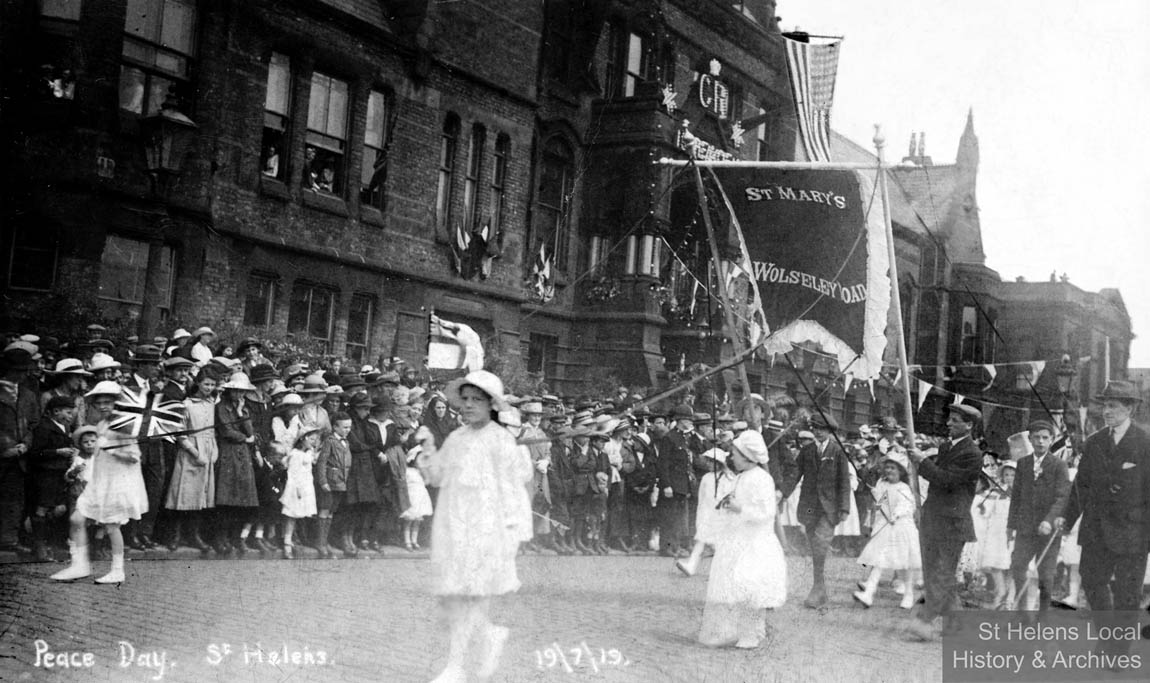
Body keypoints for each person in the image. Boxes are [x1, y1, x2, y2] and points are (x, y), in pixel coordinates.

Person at [415, 370, 533, 683]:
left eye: (476, 400)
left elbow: (513, 489)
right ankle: (486, 640)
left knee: (471, 596)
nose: (468, 405)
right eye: (464, 399)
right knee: (458, 596)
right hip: (454, 527)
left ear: (491, 404)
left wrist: (511, 533)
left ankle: (456, 666)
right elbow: (438, 477)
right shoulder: (456, 437)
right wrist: (428, 448)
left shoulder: (501, 440)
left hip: (487, 529)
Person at [1056, 381, 1150, 655]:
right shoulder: (1094, 442)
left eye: (1113, 406)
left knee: (1127, 594)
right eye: (1104, 405)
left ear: (1129, 408)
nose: (1106, 411)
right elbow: (1080, 486)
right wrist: (1067, 518)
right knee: (1091, 580)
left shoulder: (1145, 443)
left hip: (1134, 532)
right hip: (1096, 528)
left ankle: (1117, 651)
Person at [51, 381, 148, 584]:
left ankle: (117, 570)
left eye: (108, 402)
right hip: (99, 480)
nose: (104, 406)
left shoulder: (124, 427)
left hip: (117, 483)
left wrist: (112, 449)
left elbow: (134, 457)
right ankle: (79, 565)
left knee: (112, 526)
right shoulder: (102, 425)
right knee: (77, 519)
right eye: (99, 402)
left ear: (117, 403)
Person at [697, 430, 786, 649]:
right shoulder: (740, 477)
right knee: (733, 587)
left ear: (746, 455)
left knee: (751, 587)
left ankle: (753, 632)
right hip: (736, 539)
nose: (731, 457)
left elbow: (766, 513)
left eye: (735, 453)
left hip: (754, 542)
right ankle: (733, 630)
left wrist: (740, 508)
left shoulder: (762, 479)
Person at [905, 403, 983, 641]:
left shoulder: (973, 454)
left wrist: (922, 462)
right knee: (933, 572)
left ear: (969, 425)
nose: (948, 423)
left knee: (943, 573)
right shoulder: (947, 447)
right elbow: (935, 479)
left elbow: (946, 480)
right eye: (949, 419)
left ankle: (925, 620)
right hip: (933, 518)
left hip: (953, 523)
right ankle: (957, 624)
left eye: (955, 420)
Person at [778, 413, 852, 608]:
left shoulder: (838, 451)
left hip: (829, 508)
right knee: (814, 546)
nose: (817, 431)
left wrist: (844, 507)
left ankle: (817, 588)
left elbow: (844, 480)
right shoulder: (807, 451)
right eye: (814, 428)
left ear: (829, 430)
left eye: (821, 428)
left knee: (820, 543)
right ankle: (820, 588)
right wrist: (783, 494)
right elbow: (795, 474)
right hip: (810, 508)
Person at [1008, 420, 1070, 612]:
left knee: (1045, 576)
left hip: (1048, 531)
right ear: (1031, 439)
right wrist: (1010, 526)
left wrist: (1049, 520)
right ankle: (1022, 614)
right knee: (1018, 567)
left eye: (1045, 438)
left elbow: (1062, 498)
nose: (1040, 442)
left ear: (1051, 440)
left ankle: (1043, 617)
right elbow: (1016, 497)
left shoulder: (1059, 465)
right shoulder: (1023, 464)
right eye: (1037, 437)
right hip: (1025, 529)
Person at [853, 451, 921, 609]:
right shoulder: (881, 484)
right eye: (888, 468)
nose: (889, 471)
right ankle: (868, 593)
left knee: (906, 563)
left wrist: (895, 514)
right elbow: (880, 502)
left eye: (893, 468)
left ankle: (909, 594)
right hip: (886, 527)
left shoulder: (904, 487)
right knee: (878, 560)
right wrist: (875, 494)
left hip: (903, 527)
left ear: (901, 472)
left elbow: (906, 506)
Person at [163, 372, 218, 553]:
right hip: (190, 452)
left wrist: (214, 450)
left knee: (200, 496)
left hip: (208, 449)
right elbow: (179, 433)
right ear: (198, 383)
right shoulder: (186, 404)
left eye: (212, 385)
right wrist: (194, 452)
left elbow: (212, 431)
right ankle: (175, 536)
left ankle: (194, 536)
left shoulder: (211, 404)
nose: (209, 388)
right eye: (206, 384)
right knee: (183, 494)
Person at [677, 443, 736, 577]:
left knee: (718, 544)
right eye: (707, 462)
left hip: (722, 514)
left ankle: (728, 569)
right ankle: (691, 565)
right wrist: (701, 515)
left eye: (711, 462)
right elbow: (702, 499)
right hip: (707, 513)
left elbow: (731, 494)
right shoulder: (706, 478)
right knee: (701, 540)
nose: (708, 465)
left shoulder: (729, 478)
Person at [315, 412, 352, 559]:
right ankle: (320, 542)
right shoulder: (329, 441)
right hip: (329, 483)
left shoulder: (346, 442)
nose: (347, 430)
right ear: (335, 426)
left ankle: (325, 541)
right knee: (324, 510)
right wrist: (323, 481)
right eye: (344, 427)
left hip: (340, 483)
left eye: (349, 427)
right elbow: (322, 462)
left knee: (331, 512)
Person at [280, 426, 320, 558]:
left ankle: (292, 539)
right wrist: (297, 490)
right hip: (296, 487)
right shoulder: (295, 454)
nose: (313, 441)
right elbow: (292, 474)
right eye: (311, 439)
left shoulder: (309, 452)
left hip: (306, 486)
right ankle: (287, 543)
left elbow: (311, 464)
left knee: (299, 514)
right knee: (292, 514)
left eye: (315, 439)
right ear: (303, 439)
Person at [400, 444, 433, 550]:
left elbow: (427, 482)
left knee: (417, 521)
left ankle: (414, 540)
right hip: (411, 497)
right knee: (409, 520)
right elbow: (403, 484)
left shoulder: (421, 472)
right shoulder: (408, 471)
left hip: (420, 498)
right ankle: (407, 541)